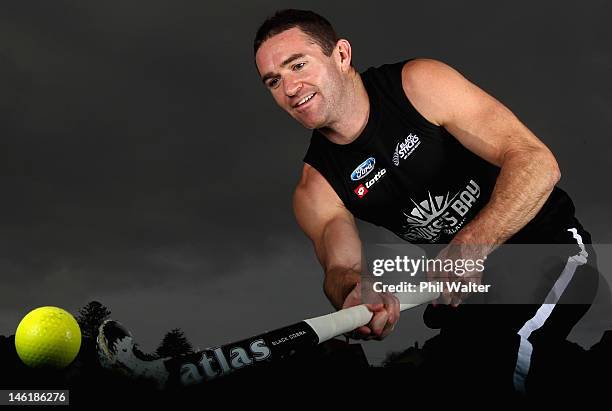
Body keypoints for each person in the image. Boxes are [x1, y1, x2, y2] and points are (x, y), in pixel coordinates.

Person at [253, 9, 600, 395]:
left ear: (341, 55)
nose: (290, 87)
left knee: (509, 361)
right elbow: (341, 267)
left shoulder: (419, 85)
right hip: (471, 296)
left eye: (298, 65)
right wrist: (355, 290)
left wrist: (471, 246)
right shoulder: (315, 186)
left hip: (551, 253)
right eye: (274, 81)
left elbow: (537, 163)